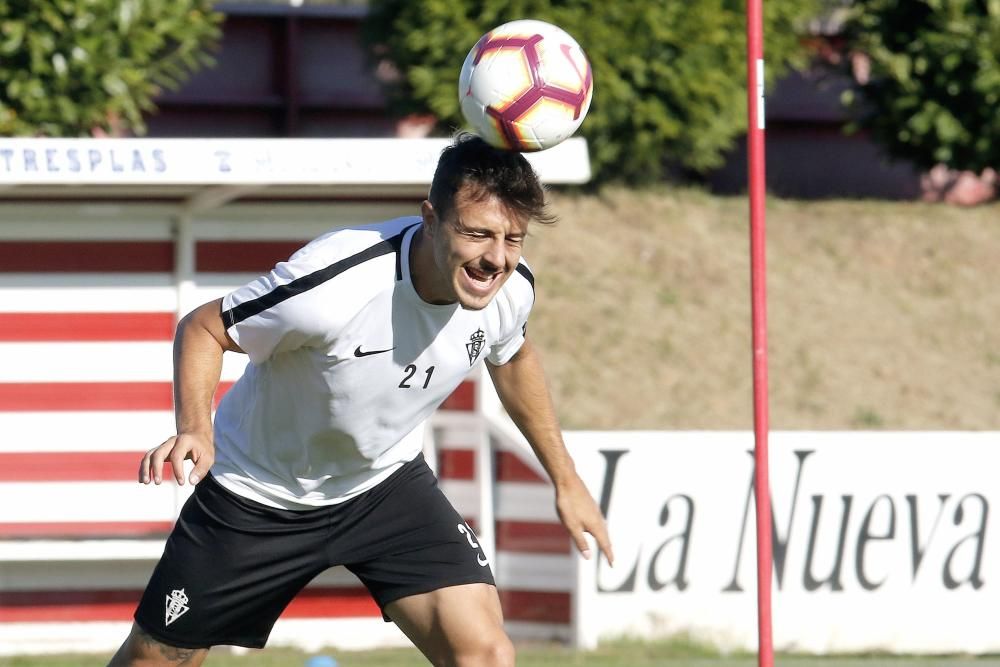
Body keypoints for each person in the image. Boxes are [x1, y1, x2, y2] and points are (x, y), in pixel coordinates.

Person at [109, 132, 613, 667]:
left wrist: (567, 479)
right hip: (259, 491)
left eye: (513, 239)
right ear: (430, 218)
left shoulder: (512, 289)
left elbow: (511, 358)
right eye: (477, 233)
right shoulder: (335, 283)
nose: (496, 259)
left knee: (486, 655)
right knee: (158, 660)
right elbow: (205, 327)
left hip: (384, 486)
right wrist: (196, 427)